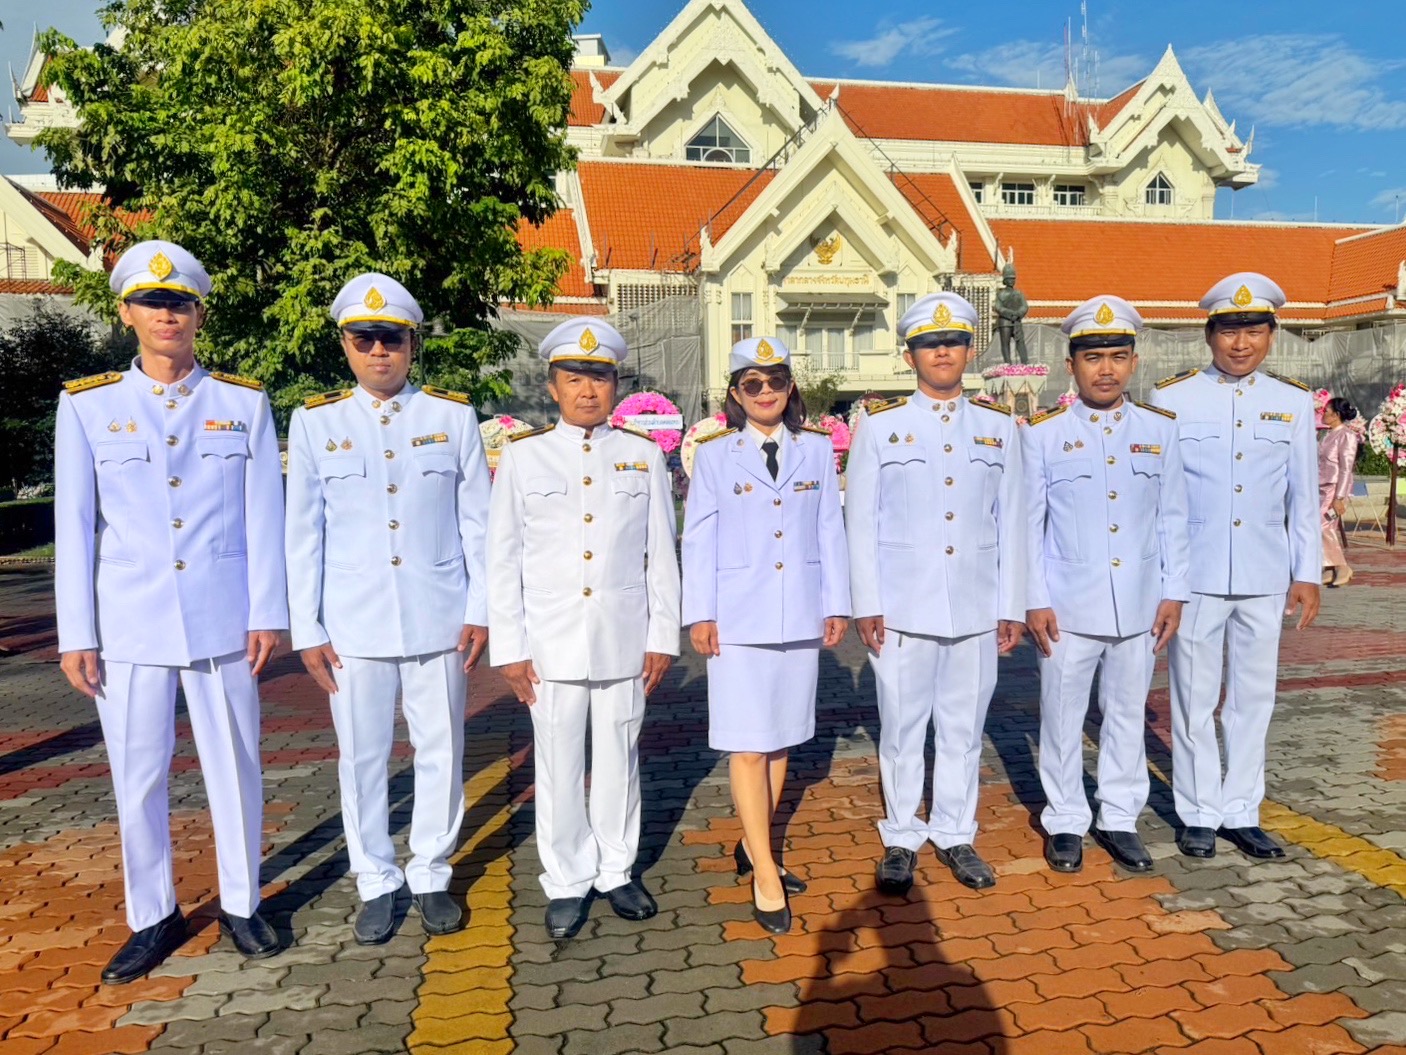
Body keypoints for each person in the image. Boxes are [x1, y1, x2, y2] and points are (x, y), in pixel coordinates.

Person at [53, 240, 286, 983]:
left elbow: (263, 518)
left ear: (198, 312)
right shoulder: (89, 404)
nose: (167, 314)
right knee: (139, 775)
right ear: (127, 313)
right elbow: (74, 524)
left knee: (236, 766)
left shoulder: (242, 402)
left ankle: (243, 902)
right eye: (152, 302)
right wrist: (76, 632)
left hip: (222, 617)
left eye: (179, 302)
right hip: (128, 623)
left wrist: (267, 612)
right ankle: (152, 914)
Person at [284, 273, 491, 944]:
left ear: (411, 343)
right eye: (364, 338)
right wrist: (307, 627)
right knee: (363, 757)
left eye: (392, 338)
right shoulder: (317, 421)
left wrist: (481, 608)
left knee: (442, 750)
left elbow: (478, 525)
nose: (379, 350)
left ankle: (430, 869)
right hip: (353, 623)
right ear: (345, 343)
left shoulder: (451, 416)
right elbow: (303, 533)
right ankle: (375, 877)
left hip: (439, 614)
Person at [487, 318, 681, 940]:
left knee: (620, 757)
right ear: (553, 386)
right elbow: (503, 559)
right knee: (559, 762)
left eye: (599, 377)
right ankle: (567, 879)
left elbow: (661, 555)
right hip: (550, 643)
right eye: (575, 378)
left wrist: (662, 637)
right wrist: (510, 649)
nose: (588, 390)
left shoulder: (642, 455)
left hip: (625, 637)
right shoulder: (523, 457)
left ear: (615, 384)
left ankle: (616, 871)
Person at [845, 292, 1025, 893]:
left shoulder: (1001, 429)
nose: (941, 351)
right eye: (928, 343)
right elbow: (861, 521)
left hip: (975, 606)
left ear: (970, 351)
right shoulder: (881, 426)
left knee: (962, 730)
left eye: (951, 342)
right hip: (901, 607)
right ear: (909, 355)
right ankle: (900, 835)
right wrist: (866, 602)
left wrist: (1011, 605)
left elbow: (1013, 522)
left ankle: (954, 832)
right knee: (900, 728)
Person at [682, 337, 850, 933]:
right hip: (738, 619)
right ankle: (765, 871)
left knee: (780, 742)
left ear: (789, 387)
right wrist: (698, 613)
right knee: (748, 745)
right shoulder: (715, 457)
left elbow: (831, 530)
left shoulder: (817, 450)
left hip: (800, 613)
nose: (765, 392)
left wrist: (838, 603)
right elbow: (698, 540)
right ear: (734, 394)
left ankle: (755, 846)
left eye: (775, 380)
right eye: (751, 384)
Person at [1150, 272, 1320, 861]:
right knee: (1193, 697)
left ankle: (1242, 809)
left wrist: (1307, 571)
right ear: (1209, 334)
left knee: (1253, 697)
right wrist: (1166, 578)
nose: (1240, 343)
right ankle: (1199, 811)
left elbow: (1304, 496)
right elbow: (1164, 501)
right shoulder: (1173, 399)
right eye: (1228, 330)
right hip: (1195, 578)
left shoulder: (1293, 402)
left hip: (1265, 574)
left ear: (1272, 334)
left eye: (1252, 330)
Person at [1024, 296, 1189, 874]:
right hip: (1067, 606)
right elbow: (1028, 523)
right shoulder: (1044, 435)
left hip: (1141, 603)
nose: (1106, 369)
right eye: (1093, 357)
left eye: (1118, 356)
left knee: (1124, 712)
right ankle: (1065, 818)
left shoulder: (1158, 430)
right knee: (1063, 714)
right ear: (1072, 365)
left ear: (1133, 362)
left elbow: (1173, 516)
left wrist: (1175, 592)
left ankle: (1119, 816)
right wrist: (1034, 598)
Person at [1318, 397, 1361, 587]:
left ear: (1336, 415)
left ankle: (1342, 566)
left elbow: (1346, 468)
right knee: (1320, 527)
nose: (1323, 413)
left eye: (1327, 411)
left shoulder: (1347, 436)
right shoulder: (1326, 435)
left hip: (1335, 489)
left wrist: (1339, 498)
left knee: (1323, 525)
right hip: (1321, 487)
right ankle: (1329, 567)